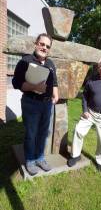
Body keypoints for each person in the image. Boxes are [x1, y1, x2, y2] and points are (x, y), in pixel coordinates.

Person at [12, 33, 59, 175]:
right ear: (36, 44)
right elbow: (16, 83)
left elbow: (54, 82)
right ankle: (30, 160)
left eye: (47, 46)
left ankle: (40, 157)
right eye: (42, 44)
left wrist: (55, 94)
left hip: (47, 104)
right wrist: (34, 87)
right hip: (31, 103)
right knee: (31, 134)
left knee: (43, 133)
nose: (44, 48)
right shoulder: (25, 61)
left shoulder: (50, 64)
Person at [67, 57, 101, 172]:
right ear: (98, 67)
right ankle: (75, 155)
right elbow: (85, 97)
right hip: (90, 113)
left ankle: (100, 161)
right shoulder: (91, 79)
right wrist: (85, 110)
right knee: (78, 130)